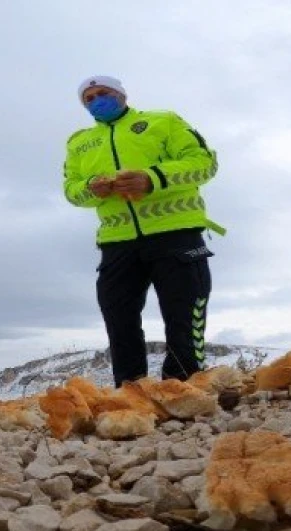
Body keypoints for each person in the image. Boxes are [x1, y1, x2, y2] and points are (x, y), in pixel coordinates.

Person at [62, 75, 225, 388]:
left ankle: (183, 390)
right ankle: (132, 394)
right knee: (119, 321)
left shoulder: (163, 121)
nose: (97, 101)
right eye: (89, 98)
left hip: (176, 234)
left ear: (121, 94)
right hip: (116, 243)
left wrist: (152, 179)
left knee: (183, 317)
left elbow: (204, 163)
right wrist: (91, 188)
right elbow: (70, 190)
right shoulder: (79, 142)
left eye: (103, 93)